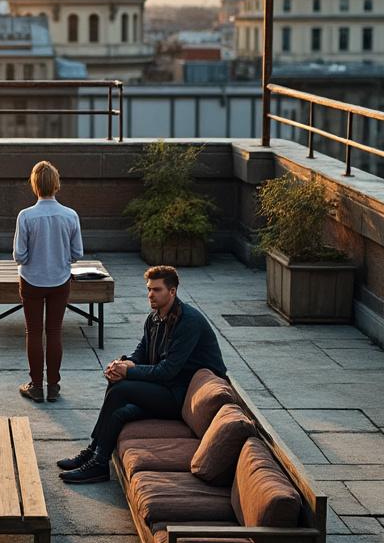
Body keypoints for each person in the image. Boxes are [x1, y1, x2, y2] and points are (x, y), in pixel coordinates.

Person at [58, 265, 226, 484]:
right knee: (119, 407)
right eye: (149, 289)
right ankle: (95, 453)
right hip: (166, 388)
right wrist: (121, 365)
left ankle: (98, 462)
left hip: (182, 396)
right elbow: (142, 352)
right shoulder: (155, 318)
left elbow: (167, 371)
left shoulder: (188, 322)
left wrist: (129, 372)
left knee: (122, 389)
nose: (150, 295)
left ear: (172, 292)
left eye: (157, 290)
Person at [13, 160, 83, 404]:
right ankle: (53, 386)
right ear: (56, 184)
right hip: (59, 280)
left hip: (31, 280)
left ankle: (36, 385)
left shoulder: (26, 216)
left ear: (34, 185)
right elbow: (77, 253)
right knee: (54, 332)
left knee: (33, 331)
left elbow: (19, 255)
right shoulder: (70, 215)